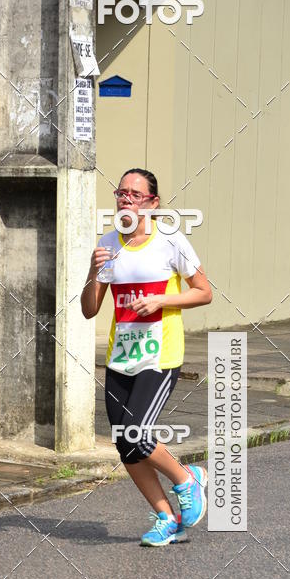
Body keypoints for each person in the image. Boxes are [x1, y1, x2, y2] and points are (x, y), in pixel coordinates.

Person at [81, 168, 213, 546]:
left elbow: (204, 292)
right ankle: (165, 517)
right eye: (121, 192)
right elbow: (90, 310)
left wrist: (162, 299)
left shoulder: (170, 240)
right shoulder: (108, 244)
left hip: (160, 355)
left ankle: (188, 480)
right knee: (124, 441)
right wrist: (93, 273)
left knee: (137, 433)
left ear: (153, 204)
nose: (125, 199)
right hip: (121, 356)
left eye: (135, 194)